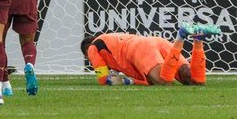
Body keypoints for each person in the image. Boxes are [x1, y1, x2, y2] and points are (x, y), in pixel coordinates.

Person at [81, 23, 220, 86]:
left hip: (139, 49)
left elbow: (104, 81)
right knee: (195, 81)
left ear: (87, 53)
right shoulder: (110, 39)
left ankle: (181, 36)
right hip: (156, 41)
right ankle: (198, 40)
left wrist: (123, 81)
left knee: (164, 81)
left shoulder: (93, 48)